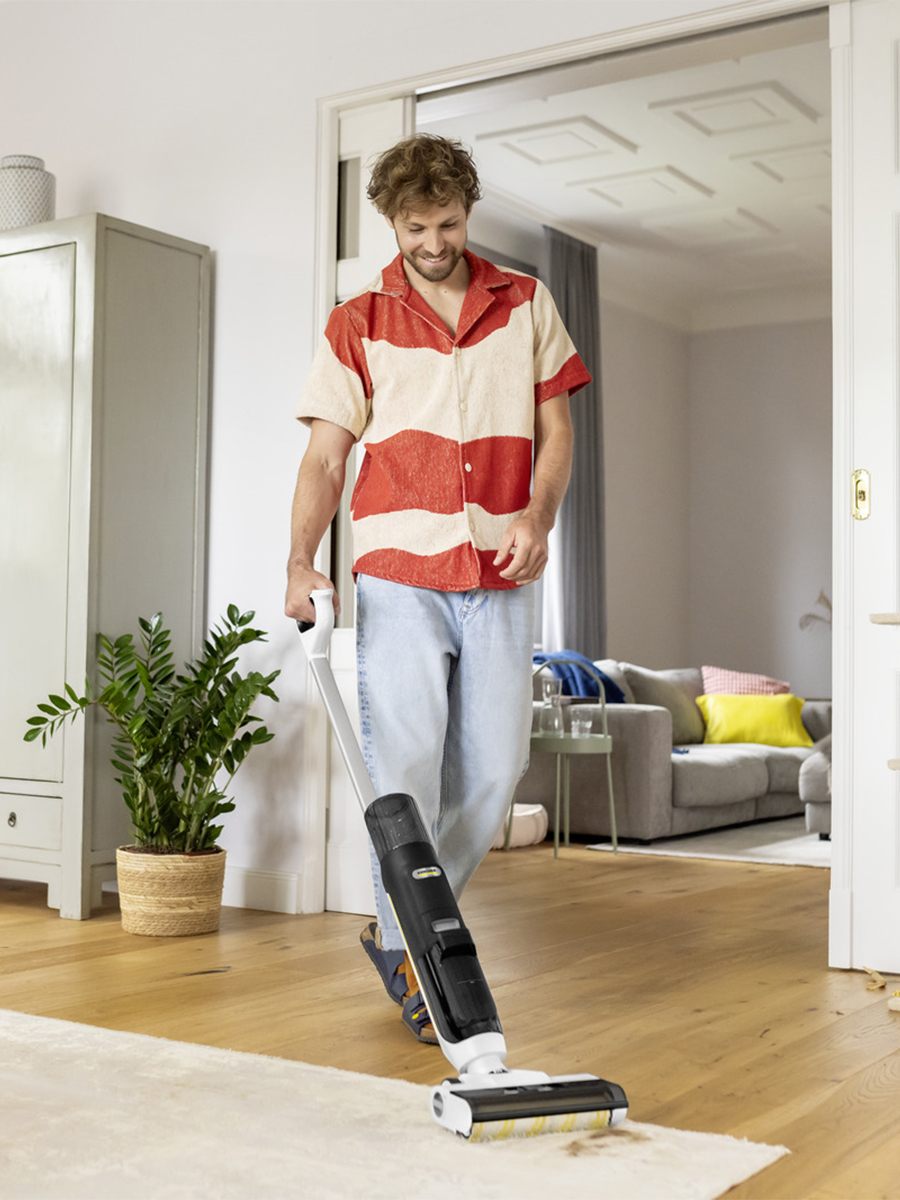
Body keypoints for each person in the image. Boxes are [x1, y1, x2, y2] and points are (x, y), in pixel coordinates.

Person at [285, 133, 590, 1043]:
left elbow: (557, 430)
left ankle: (400, 928)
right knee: (405, 774)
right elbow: (325, 459)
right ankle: (418, 955)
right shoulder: (356, 321)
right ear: (393, 221)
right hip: (398, 573)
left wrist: (539, 514)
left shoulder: (525, 302)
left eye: (447, 224)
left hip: (502, 565)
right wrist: (299, 560)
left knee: (494, 774)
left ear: (468, 211)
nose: (432, 243)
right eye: (414, 227)